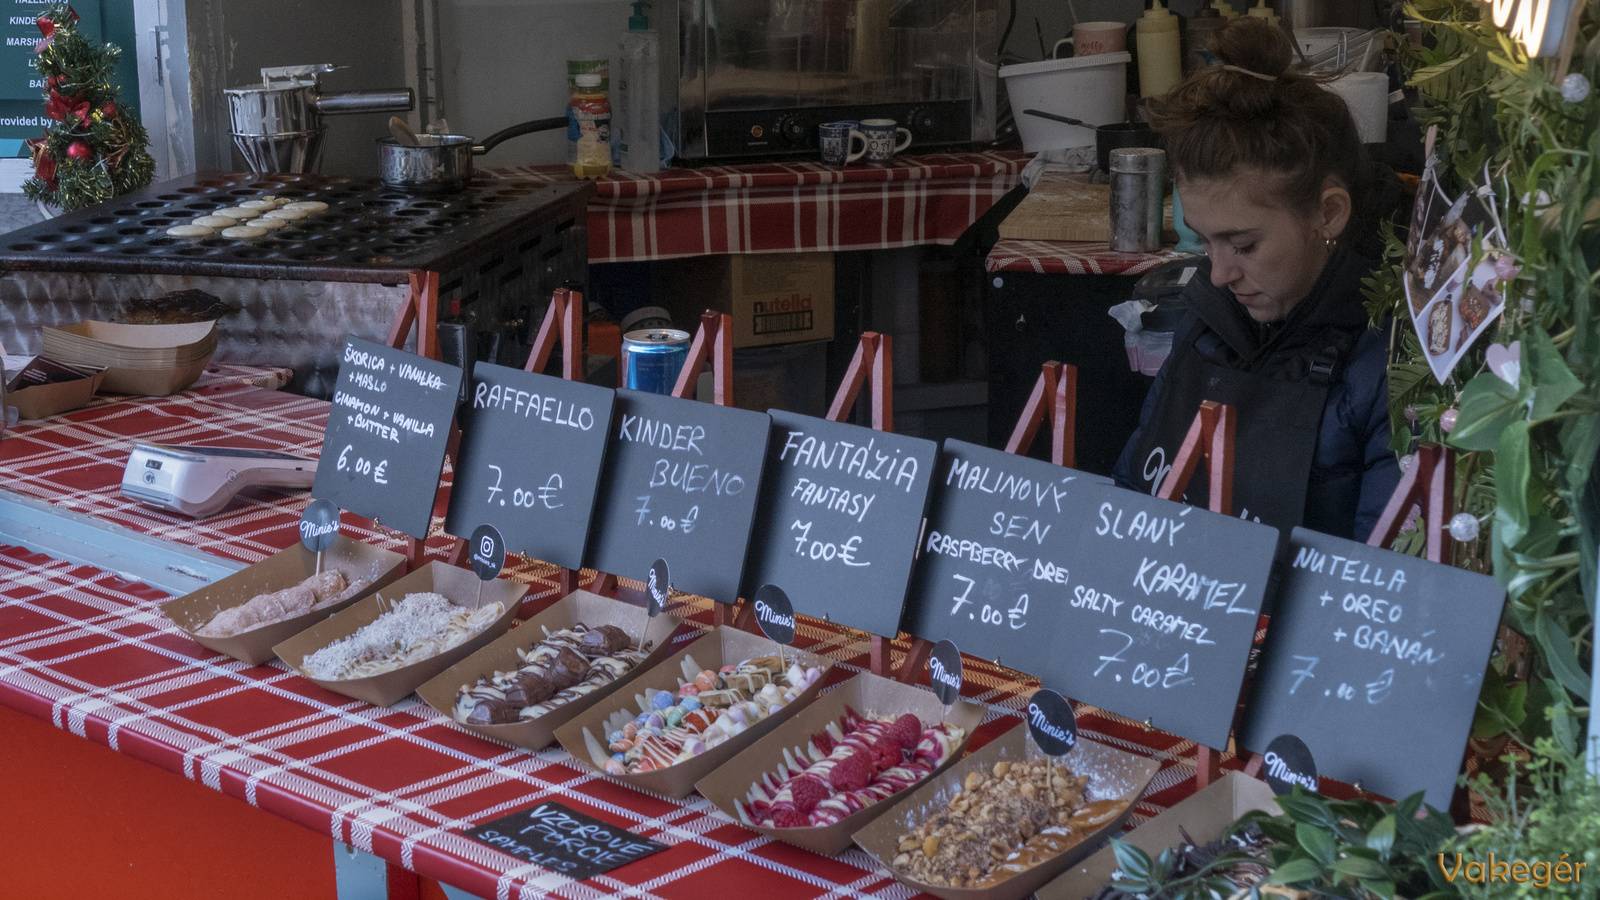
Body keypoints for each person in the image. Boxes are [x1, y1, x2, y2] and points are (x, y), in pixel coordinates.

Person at [1112, 16, 1401, 542]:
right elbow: (1134, 491)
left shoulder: (1391, 368)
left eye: (1243, 245)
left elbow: (1382, 588)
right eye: (1202, 241)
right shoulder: (1207, 320)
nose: (1218, 275)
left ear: (1329, 213)